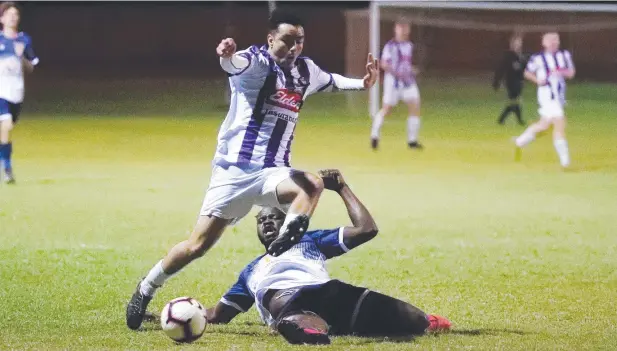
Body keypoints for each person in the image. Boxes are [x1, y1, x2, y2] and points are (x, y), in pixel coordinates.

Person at [126, 10, 379, 330]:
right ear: (271, 38)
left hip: (273, 172)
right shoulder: (255, 61)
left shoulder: (306, 71)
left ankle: (288, 237)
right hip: (233, 172)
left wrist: (363, 83)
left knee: (312, 185)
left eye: (300, 41)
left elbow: (332, 81)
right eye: (288, 40)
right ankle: (144, 291)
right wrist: (226, 56)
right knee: (196, 246)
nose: (295, 47)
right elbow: (233, 64)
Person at [205, 169, 451, 345]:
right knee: (292, 311)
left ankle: (311, 326)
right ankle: (304, 327)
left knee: (421, 322)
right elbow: (218, 315)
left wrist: (342, 188)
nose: (268, 221)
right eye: (262, 220)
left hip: (329, 292)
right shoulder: (251, 271)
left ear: (290, 219)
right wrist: (184, 312)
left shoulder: (310, 240)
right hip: (286, 298)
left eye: (275, 217)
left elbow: (367, 229)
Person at [514, 32, 575, 169]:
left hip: (559, 97)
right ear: (544, 43)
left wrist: (561, 72)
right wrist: (538, 80)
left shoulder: (564, 55)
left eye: (556, 40)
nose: (554, 42)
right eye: (550, 40)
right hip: (547, 96)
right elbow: (527, 72)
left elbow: (571, 73)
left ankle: (520, 141)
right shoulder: (538, 58)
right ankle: (565, 162)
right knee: (560, 123)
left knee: (544, 125)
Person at [0, 2, 39, 184]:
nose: (13, 17)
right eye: (9, 14)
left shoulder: (24, 40)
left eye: (15, 14)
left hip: (17, 92)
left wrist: (21, 57)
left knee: (7, 128)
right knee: (6, 125)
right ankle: (7, 168)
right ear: (2, 18)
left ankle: (5, 158)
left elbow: (31, 67)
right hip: (1, 92)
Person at [370, 18, 422, 151]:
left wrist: (411, 70)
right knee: (387, 110)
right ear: (396, 29)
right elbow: (384, 63)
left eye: (406, 27)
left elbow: (406, 64)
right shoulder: (390, 46)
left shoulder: (409, 45)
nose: (403, 30)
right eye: (401, 27)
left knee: (415, 106)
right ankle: (375, 135)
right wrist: (397, 73)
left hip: (408, 82)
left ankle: (412, 141)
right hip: (393, 83)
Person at [493, 33, 526, 126]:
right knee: (515, 101)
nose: (518, 45)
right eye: (516, 43)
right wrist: (496, 82)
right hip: (511, 83)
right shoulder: (508, 56)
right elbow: (500, 69)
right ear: (512, 44)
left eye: (519, 43)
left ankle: (503, 120)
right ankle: (514, 120)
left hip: (519, 83)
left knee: (514, 102)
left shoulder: (520, 56)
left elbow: (523, 69)